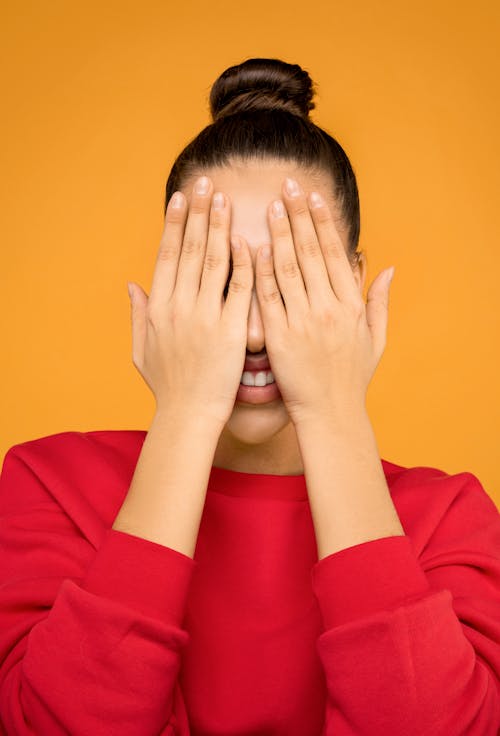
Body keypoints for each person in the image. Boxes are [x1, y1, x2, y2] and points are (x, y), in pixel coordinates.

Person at [0, 57, 499, 736]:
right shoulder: (47, 485)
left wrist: (334, 412)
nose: (257, 332)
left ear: (352, 288)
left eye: (293, 277)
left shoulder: (451, 520)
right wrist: (184, 414)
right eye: (221, 277)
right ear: (169, 286)